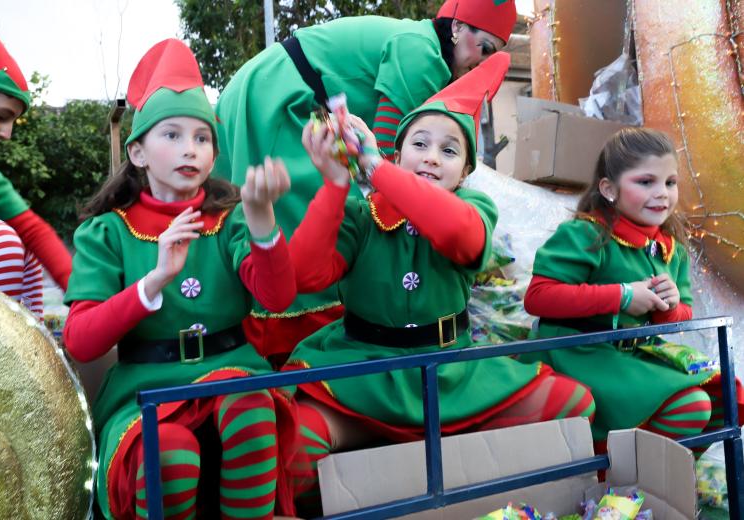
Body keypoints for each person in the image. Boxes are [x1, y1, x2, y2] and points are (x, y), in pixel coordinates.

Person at [283, 55, 595, 510]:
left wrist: (375, 168)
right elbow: (305, 276)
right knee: (293, 448)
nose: (431, 157)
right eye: (420, 144)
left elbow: (456, 234)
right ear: (398, 152)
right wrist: (335, 183)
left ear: (466, 172)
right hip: (364, 377)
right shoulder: (360, 213)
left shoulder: (475, 209)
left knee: (573, 404)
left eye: (449, 151)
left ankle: (462, 490)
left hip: (453, 375)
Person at [63, 39, 298, 520]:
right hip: (147, 389)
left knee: (250, 406)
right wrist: (154, 280)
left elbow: (277, 298)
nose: (190, 149)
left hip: (235, 374)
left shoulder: (230, 219)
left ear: (214, 154)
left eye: (202, 138)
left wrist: (260, 220)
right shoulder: (105, 230)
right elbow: (82, 341)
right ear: (138, 152)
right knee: (166, 452)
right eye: (171, 135)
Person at [212, 0, 518, 364]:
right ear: (455, 28)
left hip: (290, 95)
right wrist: (357, 176)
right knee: (286, 210)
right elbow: (389, 150)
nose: (481, 61)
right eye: (483, 48)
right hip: (280, 96)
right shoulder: (423, 53)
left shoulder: (474, 205)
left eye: (449, 151)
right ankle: (283, 343)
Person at [521, 127, 744, 450]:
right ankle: (623, 483)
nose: (662, 193)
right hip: (577, 353)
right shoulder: (584, 234)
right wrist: (622, 295)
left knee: (723, 398)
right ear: (609, 189)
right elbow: (539, 297)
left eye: (670, 183)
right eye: (645, 182)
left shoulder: (671, 248)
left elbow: (678, 316)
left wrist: (669, 306)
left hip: (634, 354)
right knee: (691, 405)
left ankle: (654, 480)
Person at [0, 9, 72, 315]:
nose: (7, 134)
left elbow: (34, 231)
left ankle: (29, 352)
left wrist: (86, 300)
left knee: (26, 246)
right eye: (1, 116)